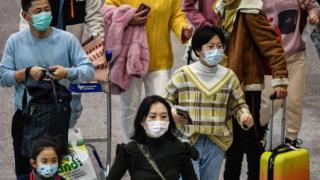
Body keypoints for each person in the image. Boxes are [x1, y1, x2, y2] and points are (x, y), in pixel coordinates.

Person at [182, 0, 289, 179]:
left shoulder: (250, 10)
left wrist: (280, 78)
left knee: (251, 139)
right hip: (227, 84)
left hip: (247, 84)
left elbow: (271, 44)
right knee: (232, 141)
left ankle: (256, 176)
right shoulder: (224, 8)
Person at [0, 0, 94, 176]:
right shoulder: (15, 41)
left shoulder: (67, 40)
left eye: (47, 10)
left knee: (56, 171)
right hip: (26, 117)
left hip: (57, 118)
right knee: (24, 172)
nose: (44, 14)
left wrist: (67, 72)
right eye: (38, 11)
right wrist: (27, 73)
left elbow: (88, 70)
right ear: (25, 16)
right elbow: (3, 77)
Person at [163, 26, 254, 180]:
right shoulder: (183, 75)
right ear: (198, 50)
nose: (216, 51)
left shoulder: (229, 77)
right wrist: (171, 112)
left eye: (219, 46)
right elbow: (164, 102)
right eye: (210, 47)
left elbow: (238, 105)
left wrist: (245, 115)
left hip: (217, 142)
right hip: (187, 141)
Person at [104, 0, 193, 143]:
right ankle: (132, 149)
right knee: (129, 110)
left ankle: (158, 150)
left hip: (159, 60)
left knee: (161, 108)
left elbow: (177, 16)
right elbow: (107, 10)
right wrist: (127, 18)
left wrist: (183, 28)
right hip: (130, 60)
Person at [19, 0, 105, 128]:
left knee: (73, 107)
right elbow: (26, 20)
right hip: (39, 55)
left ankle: (61, 138)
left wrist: (98, 46)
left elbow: (95, 19)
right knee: (38, 107)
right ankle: (44, 142)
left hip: (70, 60)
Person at [260, 0, 320, 148]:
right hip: (270, 56)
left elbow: (313, 5)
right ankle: (260, 131)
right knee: (268, 102)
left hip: (295, 55)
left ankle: (291, 140)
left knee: (295, 100)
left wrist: (313, 14)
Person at [107, 95, 198, 180]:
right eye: (152, 116)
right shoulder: (129, 151)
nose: (158, 121)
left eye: (163, 116)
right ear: (142, 121)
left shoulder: (180, 149)